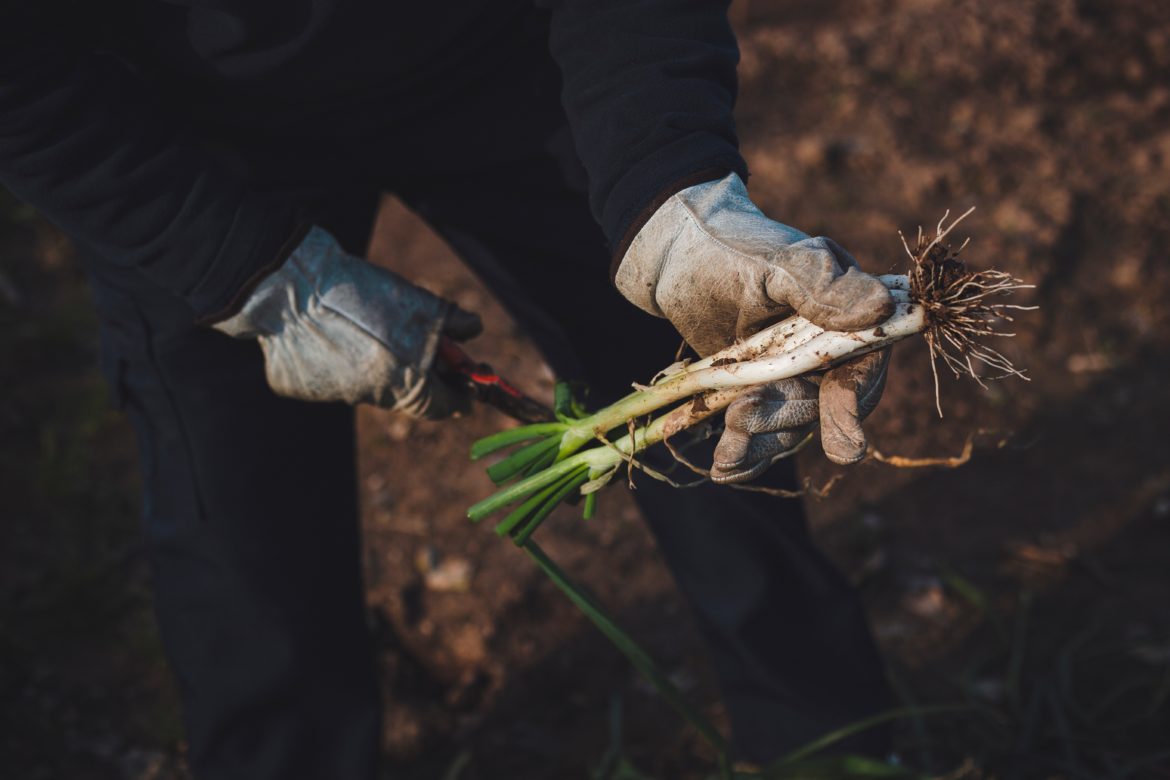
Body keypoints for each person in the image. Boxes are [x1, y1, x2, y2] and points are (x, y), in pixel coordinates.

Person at [1, 1, 896, 776]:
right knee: (240, 531)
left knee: (690, 379)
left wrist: (668, 184)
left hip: (493, 53)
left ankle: (831, 744)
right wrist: (234, 267)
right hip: (166, 126)